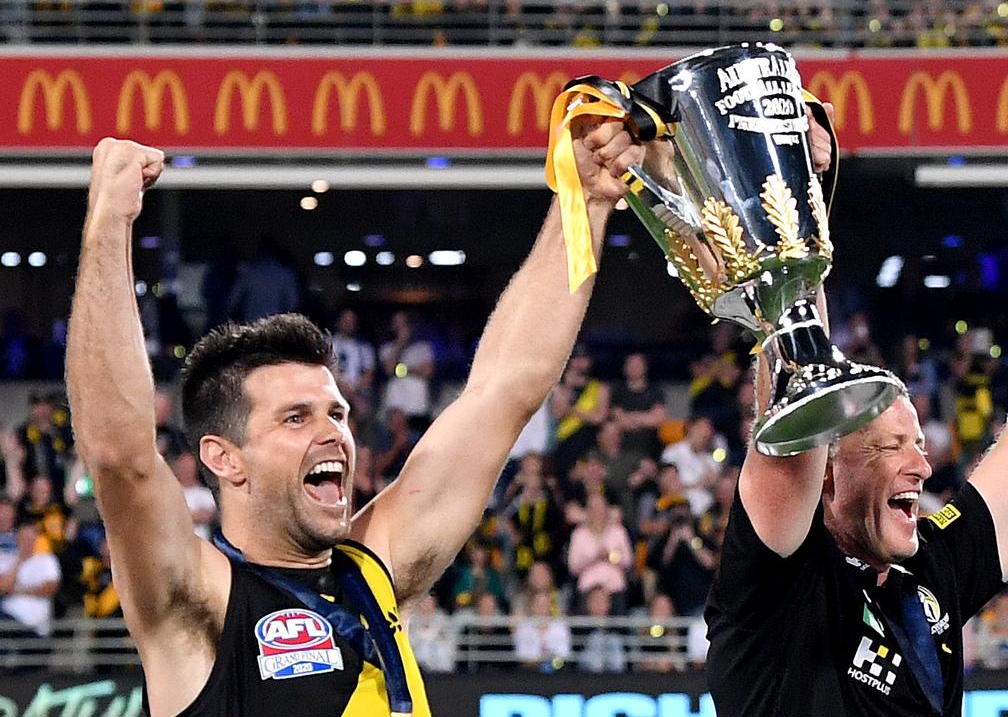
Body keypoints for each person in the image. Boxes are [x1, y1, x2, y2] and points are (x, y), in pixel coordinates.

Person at [65, 126, 642, 716]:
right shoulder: (197, 596)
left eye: (336, 413)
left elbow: (506, 388)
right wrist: (109, 222)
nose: (332, 433)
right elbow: (119, 457)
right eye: (295, 418)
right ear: (223, 457)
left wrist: (584, 203)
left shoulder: (378, 567)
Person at [705, 146, 1008, 716]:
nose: (923, 467)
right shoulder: (776, 586)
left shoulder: (929, 570)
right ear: (828, 472)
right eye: (889, 446)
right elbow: (796, 422)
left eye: (920, 444)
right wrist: (791, 199)